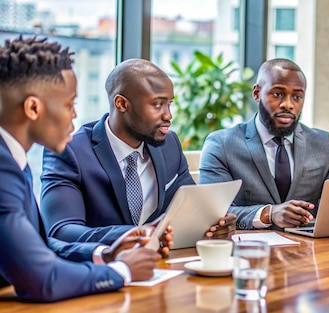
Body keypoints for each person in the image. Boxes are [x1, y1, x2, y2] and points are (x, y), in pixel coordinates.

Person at [0, 36, 161, 302]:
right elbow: (43, 280)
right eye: (69, 104)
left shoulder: (13, 160)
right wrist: (122, 271)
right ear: (33, 107)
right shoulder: (4, 169)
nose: (74, 115)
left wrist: (103, 254)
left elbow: (36, 246)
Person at [40, 59, 236, 253]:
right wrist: (135, 234)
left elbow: (189, 210)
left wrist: (211, 226)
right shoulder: (69, 152)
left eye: (169, 104)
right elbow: (60, 231)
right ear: (122, 104)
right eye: (157, 104)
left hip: (162, 267)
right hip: (100, 271)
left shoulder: (169, 144)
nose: (168, 115)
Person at [199, 58, 329, 230]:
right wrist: (268, 214)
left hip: (309, 250)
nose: (288, 105)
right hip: (251, 250)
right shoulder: (221, 145)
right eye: (277, 94)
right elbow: (211, 212)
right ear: (257, 93)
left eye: (297, 97)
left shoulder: (323, 144)